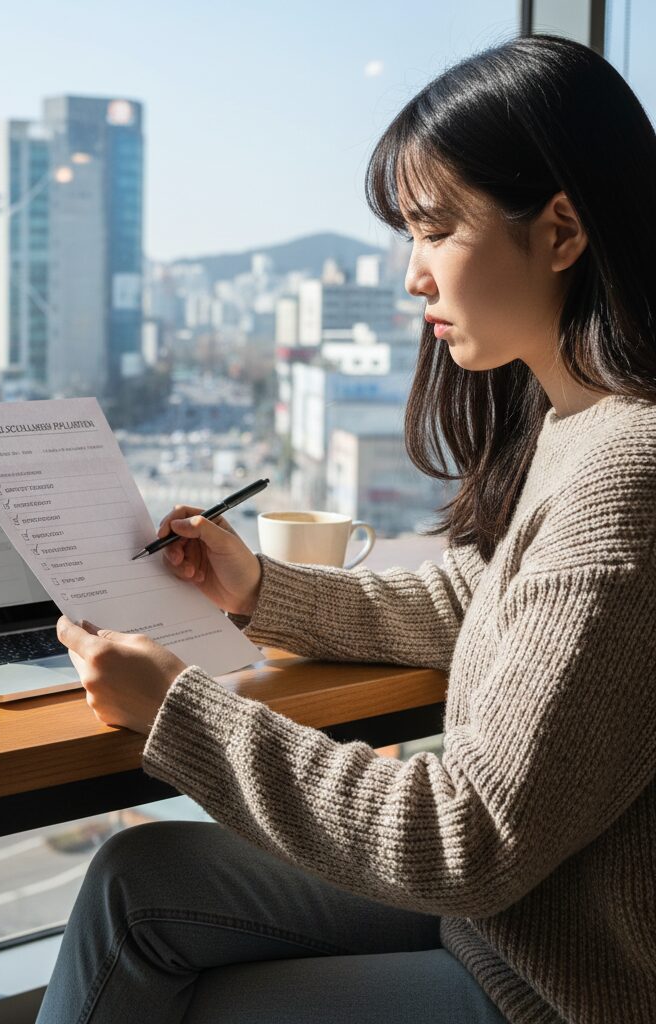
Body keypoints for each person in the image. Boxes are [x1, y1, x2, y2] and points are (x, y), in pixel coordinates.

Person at [37, 33, 656, 1024]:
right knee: (134, 878)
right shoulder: (576, 422)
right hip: (505, 921)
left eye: (435, 229)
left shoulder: (629, 474)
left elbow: (466, 839)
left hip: (548, 983)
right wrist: (259, 592)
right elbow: (477, 599)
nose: (413, 276)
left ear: (560, 231)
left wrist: (178, 711)